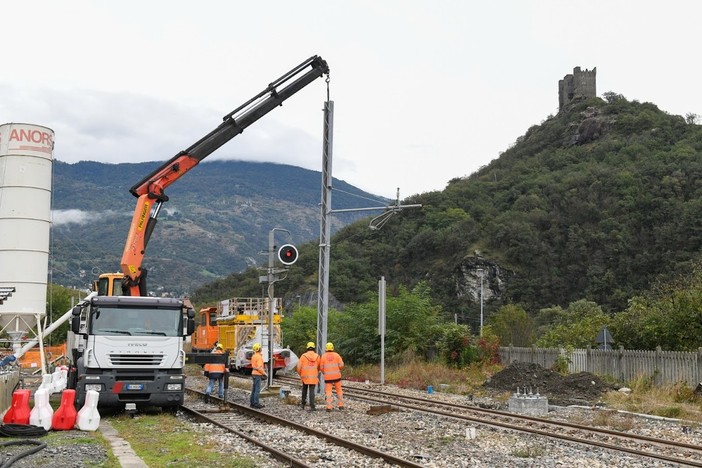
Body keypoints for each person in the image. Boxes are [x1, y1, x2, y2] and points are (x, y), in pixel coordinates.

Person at [319, 342, 344, 412]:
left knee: (328, 392)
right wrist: (338, 369)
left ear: (326, 349)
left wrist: (325, 372)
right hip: (337, 376)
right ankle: (341, 405)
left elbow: (321, 367)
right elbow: (341, 365)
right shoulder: (337, 355)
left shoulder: (323, 356)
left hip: (328, 377)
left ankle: (329, 407)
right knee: (339, 390)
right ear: (333, 348)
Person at [296, 341, 320, 411]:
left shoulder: (303, 356)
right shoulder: (317, 356)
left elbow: (298, 367)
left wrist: (301, 374)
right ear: (314, 348)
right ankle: (312, 406)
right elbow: (319, 367)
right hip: (313, 376)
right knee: (312, 391)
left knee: (304, 389)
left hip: (305, 376)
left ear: (307, 348)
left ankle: (303, 404)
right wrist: (316, 372)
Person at [250, 342, 266, 409]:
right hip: (257, 374)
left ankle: (252, 403)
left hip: (253, 373)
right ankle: (256, 403)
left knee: (253, 389)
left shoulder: (254, 356)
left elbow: (254, 366)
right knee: (257, 390)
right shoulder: (259, 357)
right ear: (259, 349)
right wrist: (264, 374)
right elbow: (259, 368)